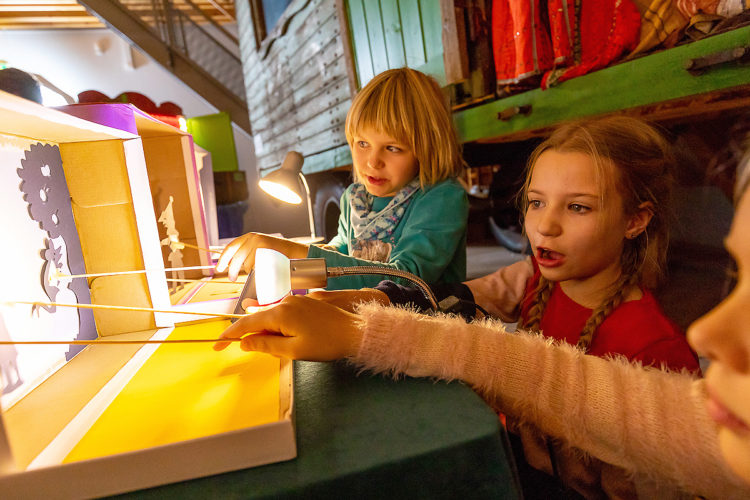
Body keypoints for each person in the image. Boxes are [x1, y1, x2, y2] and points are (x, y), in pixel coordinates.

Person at [215, 131, 750, 498]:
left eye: (578, 207)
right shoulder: (538, 278)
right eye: (536, 203)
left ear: (636, 221)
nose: (545, 228)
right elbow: (458, 296)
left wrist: (359, 317)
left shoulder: (655, 350)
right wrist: (367, 305)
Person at [216, 68, 468, 290]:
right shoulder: (355, 199)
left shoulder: (440, 197)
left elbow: (404, 281)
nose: (372, 161)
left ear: (427, 148)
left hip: (428, 328)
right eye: (362, 143)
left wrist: (294, 253)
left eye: (392, 148)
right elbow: (343, 251)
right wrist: (284, 269)